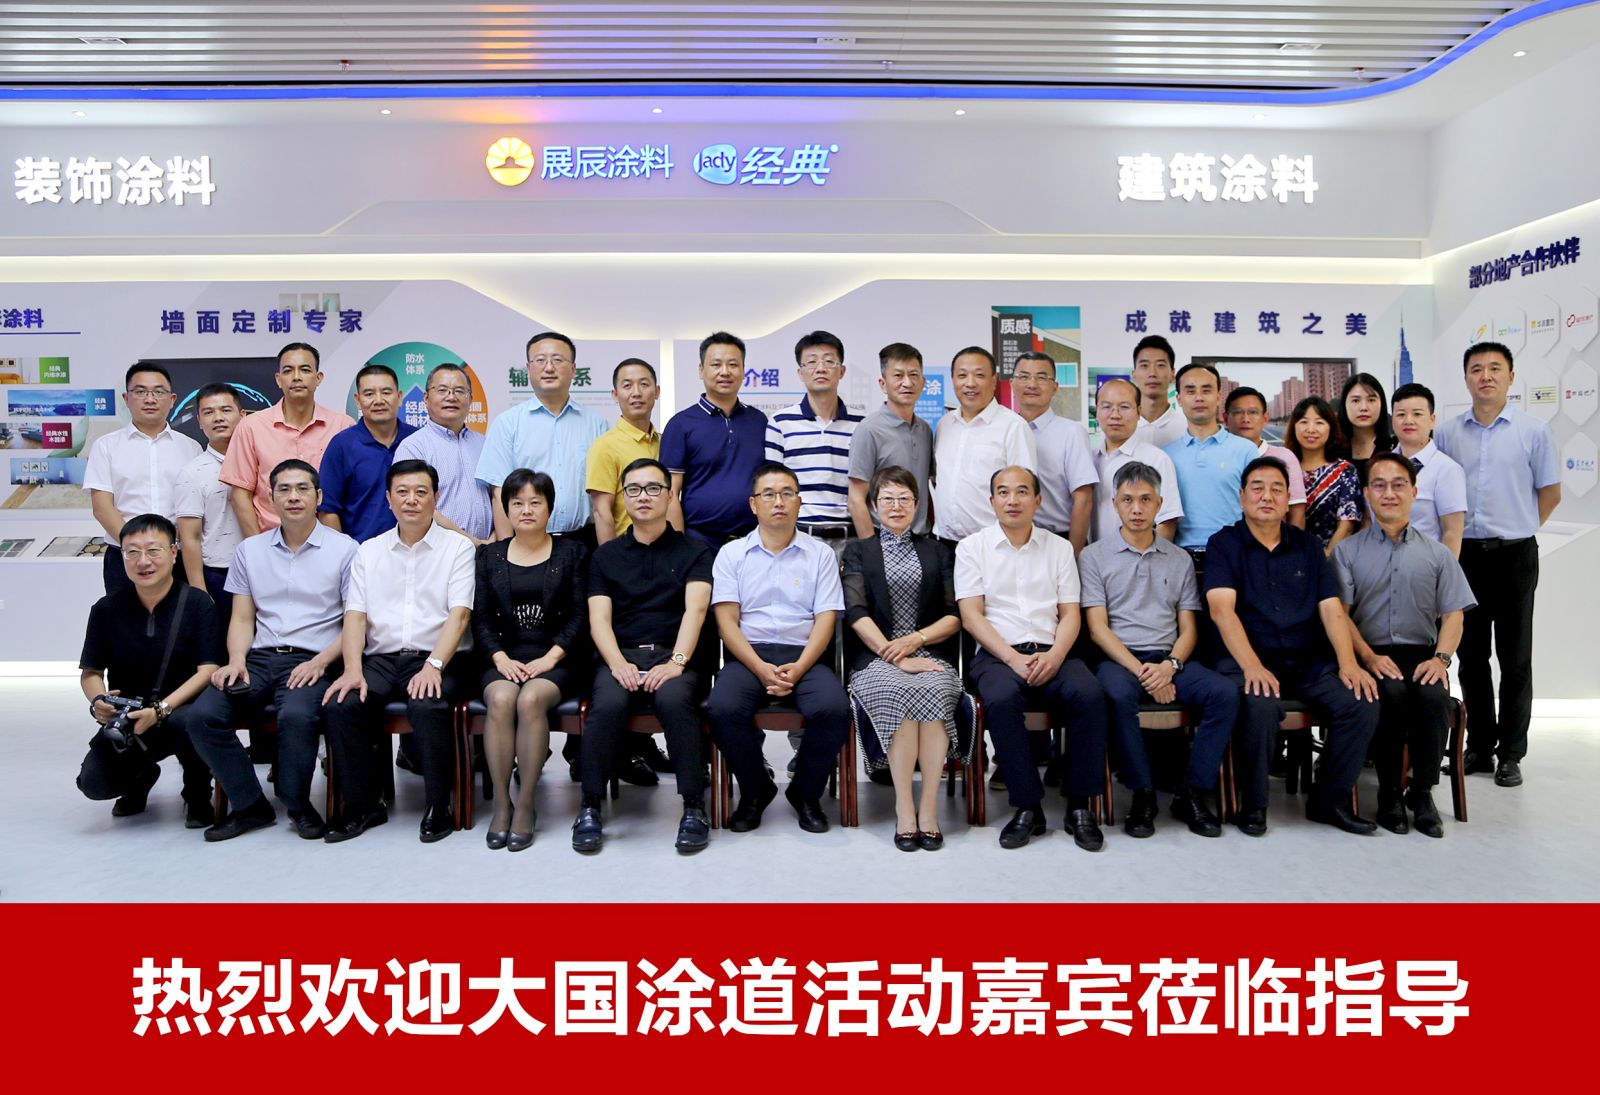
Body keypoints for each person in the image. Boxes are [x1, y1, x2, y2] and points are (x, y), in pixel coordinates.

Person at [183, 459, 359, 842]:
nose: (293, 497)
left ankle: (298, 805)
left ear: (318, 496)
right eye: (284, 489)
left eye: (302, 489)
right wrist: (236, 660)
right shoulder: (250, 550)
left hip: (314, 659)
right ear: (270, 498)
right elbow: (242, 617)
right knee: (202, 715)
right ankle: (250, 805)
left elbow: (356, 621)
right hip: (259, 659)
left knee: (296, 716)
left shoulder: (345, 550)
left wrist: (321, 662)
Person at [1204, 457, 1380, 836]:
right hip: (1247, 660)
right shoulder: (1223, 544)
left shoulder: (1308, 546)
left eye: (1277, 489)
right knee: (1261, 702)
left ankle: (1328, 800)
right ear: (1242, 497)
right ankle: (1253, 805)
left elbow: (1331, 609)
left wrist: (1348, 663)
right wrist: (1252, 666)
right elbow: (1221, 611)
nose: (1267, 496)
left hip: (1306, 662)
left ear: (1288, 501)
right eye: (1257, 488)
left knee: (1360, 701)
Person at [1081, 461, 1241, 839]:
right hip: (1120, 660)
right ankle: (1143, 793)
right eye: (1127, 500)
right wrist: (1144, 673)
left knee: (1224, 694)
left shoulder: (1179, 558)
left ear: (1159, 504)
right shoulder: (1093, 556)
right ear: (1114, 504)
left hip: (1170, 660)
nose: (1136, 509)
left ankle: (1191, 791)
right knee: (1116, 695)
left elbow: (1189, 629)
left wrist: (1169, 666)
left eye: (1145, 500)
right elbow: (1098, 629)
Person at [321, 459, 475, 843]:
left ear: (436, 497)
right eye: (402, 492)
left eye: (421, 492)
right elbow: (355, 617)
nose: (411, 500)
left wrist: (434, 665)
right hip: (382, 659)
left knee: (427, 703)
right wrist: (352, 669)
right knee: (343, 703)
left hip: (440, 657)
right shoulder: (368, 551)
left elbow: (459, 616)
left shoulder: (458, 548)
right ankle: (363, 805)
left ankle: (439, 806)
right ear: (388, 498)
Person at [956, 466, 1108, 852]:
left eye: (1022, 492)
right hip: (998, 654)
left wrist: (1055, 656)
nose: (1013, 500)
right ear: (992, 501)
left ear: (1038, 500)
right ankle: (1028, 807)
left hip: (1053, 650)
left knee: (1089, 694)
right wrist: (1011, 658)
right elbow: (972, 616)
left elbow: (1070, 613)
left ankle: (1079, 806)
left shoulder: (1059, 548)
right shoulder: (971, 548)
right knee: (1001, 699)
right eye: (1003, 492)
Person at [1434, 341, 1561, 788]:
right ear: (1466, 378)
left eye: (1494, 368)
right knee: (1470, 657)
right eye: (1476, 369)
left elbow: (1550, 493)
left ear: (1511, 376)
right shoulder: (1447, 433)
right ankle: (1478, 747)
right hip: (1465, 555)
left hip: (1514, 555)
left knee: (1515, 658)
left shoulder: (1534, 431)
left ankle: (1511, 753)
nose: (1485, 376)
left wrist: (1519, 527)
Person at [1334, 453, 1476, 838]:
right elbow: (1340, 616)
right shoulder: (1347, 551)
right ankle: (1389, 793)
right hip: (1369, 653)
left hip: (1421, 654)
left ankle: (1423, 792)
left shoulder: (1438, 553)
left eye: (1399, 485)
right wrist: (1367, 657)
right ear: (1367, 494)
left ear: (1414, 492)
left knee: (1433, 697)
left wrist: (1441, 660)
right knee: (1391, 694)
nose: (1389, 493)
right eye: (1379, 485)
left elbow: (1455, 615)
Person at [580, 458, 716, 855]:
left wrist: (676, 662)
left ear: (670, 495)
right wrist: (616, 663)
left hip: (675, 657)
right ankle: (589, 806)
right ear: (623, 497)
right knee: (607, 704)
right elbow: (599, 620)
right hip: (619, 656)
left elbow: (696, 611)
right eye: (634, 489)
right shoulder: (605, 556)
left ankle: (693, 806)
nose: (644, 497)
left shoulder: (695, 552)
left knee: (675, 700)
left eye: (654, 488)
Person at [707, 462, 850, 834]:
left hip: (805, 654)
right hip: (749, 655)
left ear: (799, 502)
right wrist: (759, 667)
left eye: (787, 493)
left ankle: (805, 794)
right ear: (753, 504)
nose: (778, 502)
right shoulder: (732, 554)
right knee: (722, 708)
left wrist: (800, 668)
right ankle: (756, 791)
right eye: (768, 494)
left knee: (834, 709)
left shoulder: (820, 554)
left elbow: (826, 619)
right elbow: (726, 622)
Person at [842, 467, 963, 850]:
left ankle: (928, 809)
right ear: (874, 506)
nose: (896, 507)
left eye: (904, 499)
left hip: (929, 652)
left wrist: (915, 641)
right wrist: (893, 654)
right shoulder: (859, 550)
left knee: (935, 688)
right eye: (887, 499)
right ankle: (904, 807)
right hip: (876, 656)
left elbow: (954, 615)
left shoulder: (938, 551)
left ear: (917, 504)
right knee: (899, 691)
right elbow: (856, 612)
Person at [76, 513, 220, 828]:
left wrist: (162, 709)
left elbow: (209, 668)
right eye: (132, 552)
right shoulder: (106, 610)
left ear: (173, 552)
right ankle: (140, 778)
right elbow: (91, 672)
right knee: (94, 783)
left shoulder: (197, 604)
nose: (143, 561)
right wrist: (98, 700)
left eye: (153, 550)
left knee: (189, 722)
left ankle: (197, 793)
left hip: (182, 710)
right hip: (131, 716)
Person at [474, 469, 588, 852]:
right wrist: (500, 658)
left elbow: (579, 617)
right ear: (506, 509)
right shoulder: (489, 556)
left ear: (549, 508)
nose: (526, 510)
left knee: (531, 699)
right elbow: (480, 618)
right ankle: (501, 804)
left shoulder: (572, 553)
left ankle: (525, 806)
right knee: (501, 698)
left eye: (535, 502)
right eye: (517, 503)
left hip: (556, 659)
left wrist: (550, 658)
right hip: (503, 658)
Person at [475, 331, 608, 543]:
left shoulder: (597, 424)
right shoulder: (507, 423)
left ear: (573, 369)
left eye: (557, 360)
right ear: (528, 369)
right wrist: (506, 550)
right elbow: (499, 493)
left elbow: (605, 495)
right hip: (526, 542)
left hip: (584, 541)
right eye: (540, 360)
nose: (549, 368)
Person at [83, 363, 201, 595]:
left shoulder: (191, 448)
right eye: (140, 392)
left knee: (180, 617)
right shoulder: (106, 446)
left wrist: (166, 547)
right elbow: (102, 507)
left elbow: (195, 507)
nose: (150, 399)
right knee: (125, 618)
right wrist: (136, 549)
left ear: (172, 399)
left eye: (158, 392)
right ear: (126, 399)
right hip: (124, 557)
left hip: (177, 556)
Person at [221, 342, 354, 536]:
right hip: (270, 540)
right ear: (278, 379)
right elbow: (240, 494)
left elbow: (352, 492)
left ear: (318, 378)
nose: (297, 377)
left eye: (305, 370)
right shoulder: (252, 426)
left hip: (328, 542)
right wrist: (258, 546)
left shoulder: (343, 426)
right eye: (288, 371)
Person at [662, 332, 769, 549]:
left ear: (743, 370)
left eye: (733, 364)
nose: (725, 372)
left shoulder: (759, 421)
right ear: (701, 370)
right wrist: (680, 549)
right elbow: (670, 494)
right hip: (699, 542)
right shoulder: (681, 424)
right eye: (716, 364)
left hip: (754, 540)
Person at [765, 330, 862, 543]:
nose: (820, 368)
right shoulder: (780, 423)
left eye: (829, 361)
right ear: (800, 373)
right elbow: (772, 486)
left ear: (842, 371)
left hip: (850, 538)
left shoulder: (861, 425)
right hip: (799, 537)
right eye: (811, 362)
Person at [932, 346, 1036, 544]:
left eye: (979, 375)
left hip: (992, 545)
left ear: (994, 381)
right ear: (952, 380)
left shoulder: (1013, 426)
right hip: (944, 542)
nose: (970, 383)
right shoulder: (945, 424)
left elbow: (1025, 492)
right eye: (962, 376)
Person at [1161, 363, 1260, 569]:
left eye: (1206, 390)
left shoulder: (1245, 450)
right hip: (1179, 560)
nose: (1199, 398)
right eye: (1190, 391)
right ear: (1178, 399)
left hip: (1234, 557)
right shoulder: (1165, 455)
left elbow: (1257, 510)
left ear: (1218, 396)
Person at [393, 363, 493, 544]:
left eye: (459, 391)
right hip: (438, 551)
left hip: (488, 549)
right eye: (442, 390)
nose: (451, 397)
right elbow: (415, 505)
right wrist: (472, 542)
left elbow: (498, 496)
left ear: (470, 399)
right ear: (426, 398)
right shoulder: (413, 447)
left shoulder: (484, 443)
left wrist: (494, 542)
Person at [317, 364, 418, 542]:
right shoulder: (342, 445)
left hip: (417, 551)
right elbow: (328, 510)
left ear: (399, 397)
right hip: (359, 553)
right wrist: (345, 554)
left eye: (386, 392)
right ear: (357, 400)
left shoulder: (417, 440)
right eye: (369, 394)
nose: (378, 400)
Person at [1011, 351, 1096, 555]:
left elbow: (1083, 499)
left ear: (1055, 387)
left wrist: (1072, 556)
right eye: (1024, 377)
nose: (1032, 384)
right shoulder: (1004, 430)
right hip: (1010, 542)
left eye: (1041, 377)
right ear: (1012, 384)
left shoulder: (1072, 432)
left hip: (1058, 540)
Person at [848, 342, 935, 537]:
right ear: (883, 384)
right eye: (898, 375)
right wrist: (872, 549)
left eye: (914, 375)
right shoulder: (868, 430)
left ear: (923, 382)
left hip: (922, 539)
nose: (907, 383)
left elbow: (925, 489)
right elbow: (856, 499)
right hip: (882, 538)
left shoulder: (925, 430)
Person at [174, 382, 245, 614]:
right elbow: (190, 537)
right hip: (218, 575)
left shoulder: (260, 462)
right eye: (208, 412)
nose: (218, 418)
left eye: (226, 410)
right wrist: (200, 592)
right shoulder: (192, 472)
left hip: (262, 570)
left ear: (242, 415)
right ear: (199, 421)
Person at [1090, 378, 1181, 543]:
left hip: (1140, 557)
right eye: (1106, 407)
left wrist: (1146, 558)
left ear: (1139, 412)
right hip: (1094, 556)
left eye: (1124, 407)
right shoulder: (1089, 458)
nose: (1115, 415)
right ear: (1097, 411)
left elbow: (1166, 522)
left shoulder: (1156, 459)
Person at [586, 358, 661, 546]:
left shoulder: (665, 442)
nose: (636, 393)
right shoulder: (604, 446)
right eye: (627, 386)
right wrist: (611, 559)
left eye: (644, 384)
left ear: (657, 392)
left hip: (666, 550)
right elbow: (601, 512)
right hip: (627, 550)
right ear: (615, 394)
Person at [1390, 383, 1467, 557]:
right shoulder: (1382, 466)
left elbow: (1452, 533)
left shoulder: (1447, 470)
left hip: (1426, 566)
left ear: (1432, 420)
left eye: (1417, 414)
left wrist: (1445, 572)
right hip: (1382, 565)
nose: (1408, 420)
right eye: (1401, 414)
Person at [1223, 385, 1306, 529]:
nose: (1245, 419)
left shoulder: (1285, 458)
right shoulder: (1218, 457)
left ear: (1265, 418)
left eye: (1253, 412)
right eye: (1237, 412)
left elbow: (1296, 513)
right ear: (1225, 418)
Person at [1286, 396, 1361, 553]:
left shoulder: (1345, 471)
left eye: (1319, 423)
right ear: (1294, 427)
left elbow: (1346, 525)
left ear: (1331, 428)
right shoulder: (1283, 469)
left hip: (1331, 558)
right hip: (1286, 556)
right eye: (1304, 422)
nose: (1311, 429)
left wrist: (1325, 558)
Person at [1130, 335, 1186, 448]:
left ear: (1172, 374)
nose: (1152, 373)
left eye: (1160, 365)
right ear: (1134, 374)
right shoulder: (1121, 430)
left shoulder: (1186, 429)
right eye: (1144, 365)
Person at [1339, 372, 1395, 483]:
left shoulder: (1394, 447)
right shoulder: (1332, 449)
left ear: (1382, 404)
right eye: (1355, 400)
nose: (1363, 408)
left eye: (1371, 400)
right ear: (1344, 405)